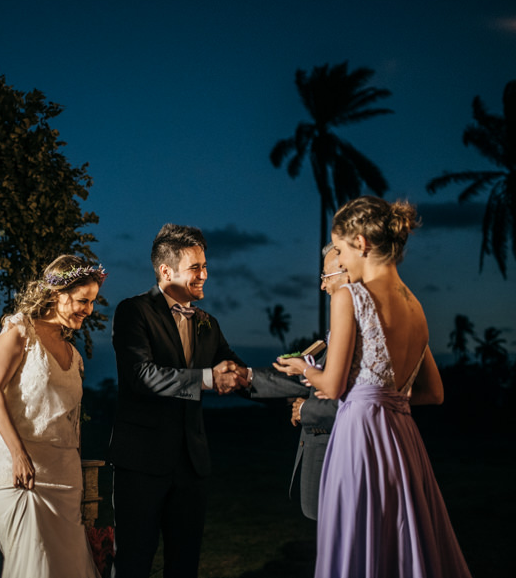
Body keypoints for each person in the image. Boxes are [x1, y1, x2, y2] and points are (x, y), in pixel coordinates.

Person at [274, 196, 472, 577]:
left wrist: (304, 368)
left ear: (361, 243)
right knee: (400, 541)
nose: (341, 260)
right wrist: (381, 390)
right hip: (401, 437)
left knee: (360, 539)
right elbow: (434, 393)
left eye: (342, 249)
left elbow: (331, 386)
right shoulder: (416, 308)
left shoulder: (351, 295)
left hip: (361, 434)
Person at [109, 223, 248, 578]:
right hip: (142, 463)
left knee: (184, 565)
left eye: (205, 265)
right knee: (133, 563)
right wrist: (207, 378)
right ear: (165, 271)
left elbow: (237, 373)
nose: (205, 274)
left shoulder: (208, 324)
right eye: (196, 267)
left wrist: (300, 387)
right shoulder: (134, 311)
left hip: (192, 465)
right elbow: (142, 376)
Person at [0, 255, 105, 578]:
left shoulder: (73, 355)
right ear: (57, 294)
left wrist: (75, 468)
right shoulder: (19, 331)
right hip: (22, 475)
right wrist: (19, 456)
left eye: (92, 302)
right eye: (82, 300)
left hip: (64, 477)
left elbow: (70, 420)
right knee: (34, 567)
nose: (88, 310)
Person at [244, 243, 345, 520]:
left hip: (339, 457)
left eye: (326, 277)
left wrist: (305, 410)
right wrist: (245, 378)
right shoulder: (339, 330)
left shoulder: (361, 330)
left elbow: (357, 402)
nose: (322, 287)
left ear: (346, 271)